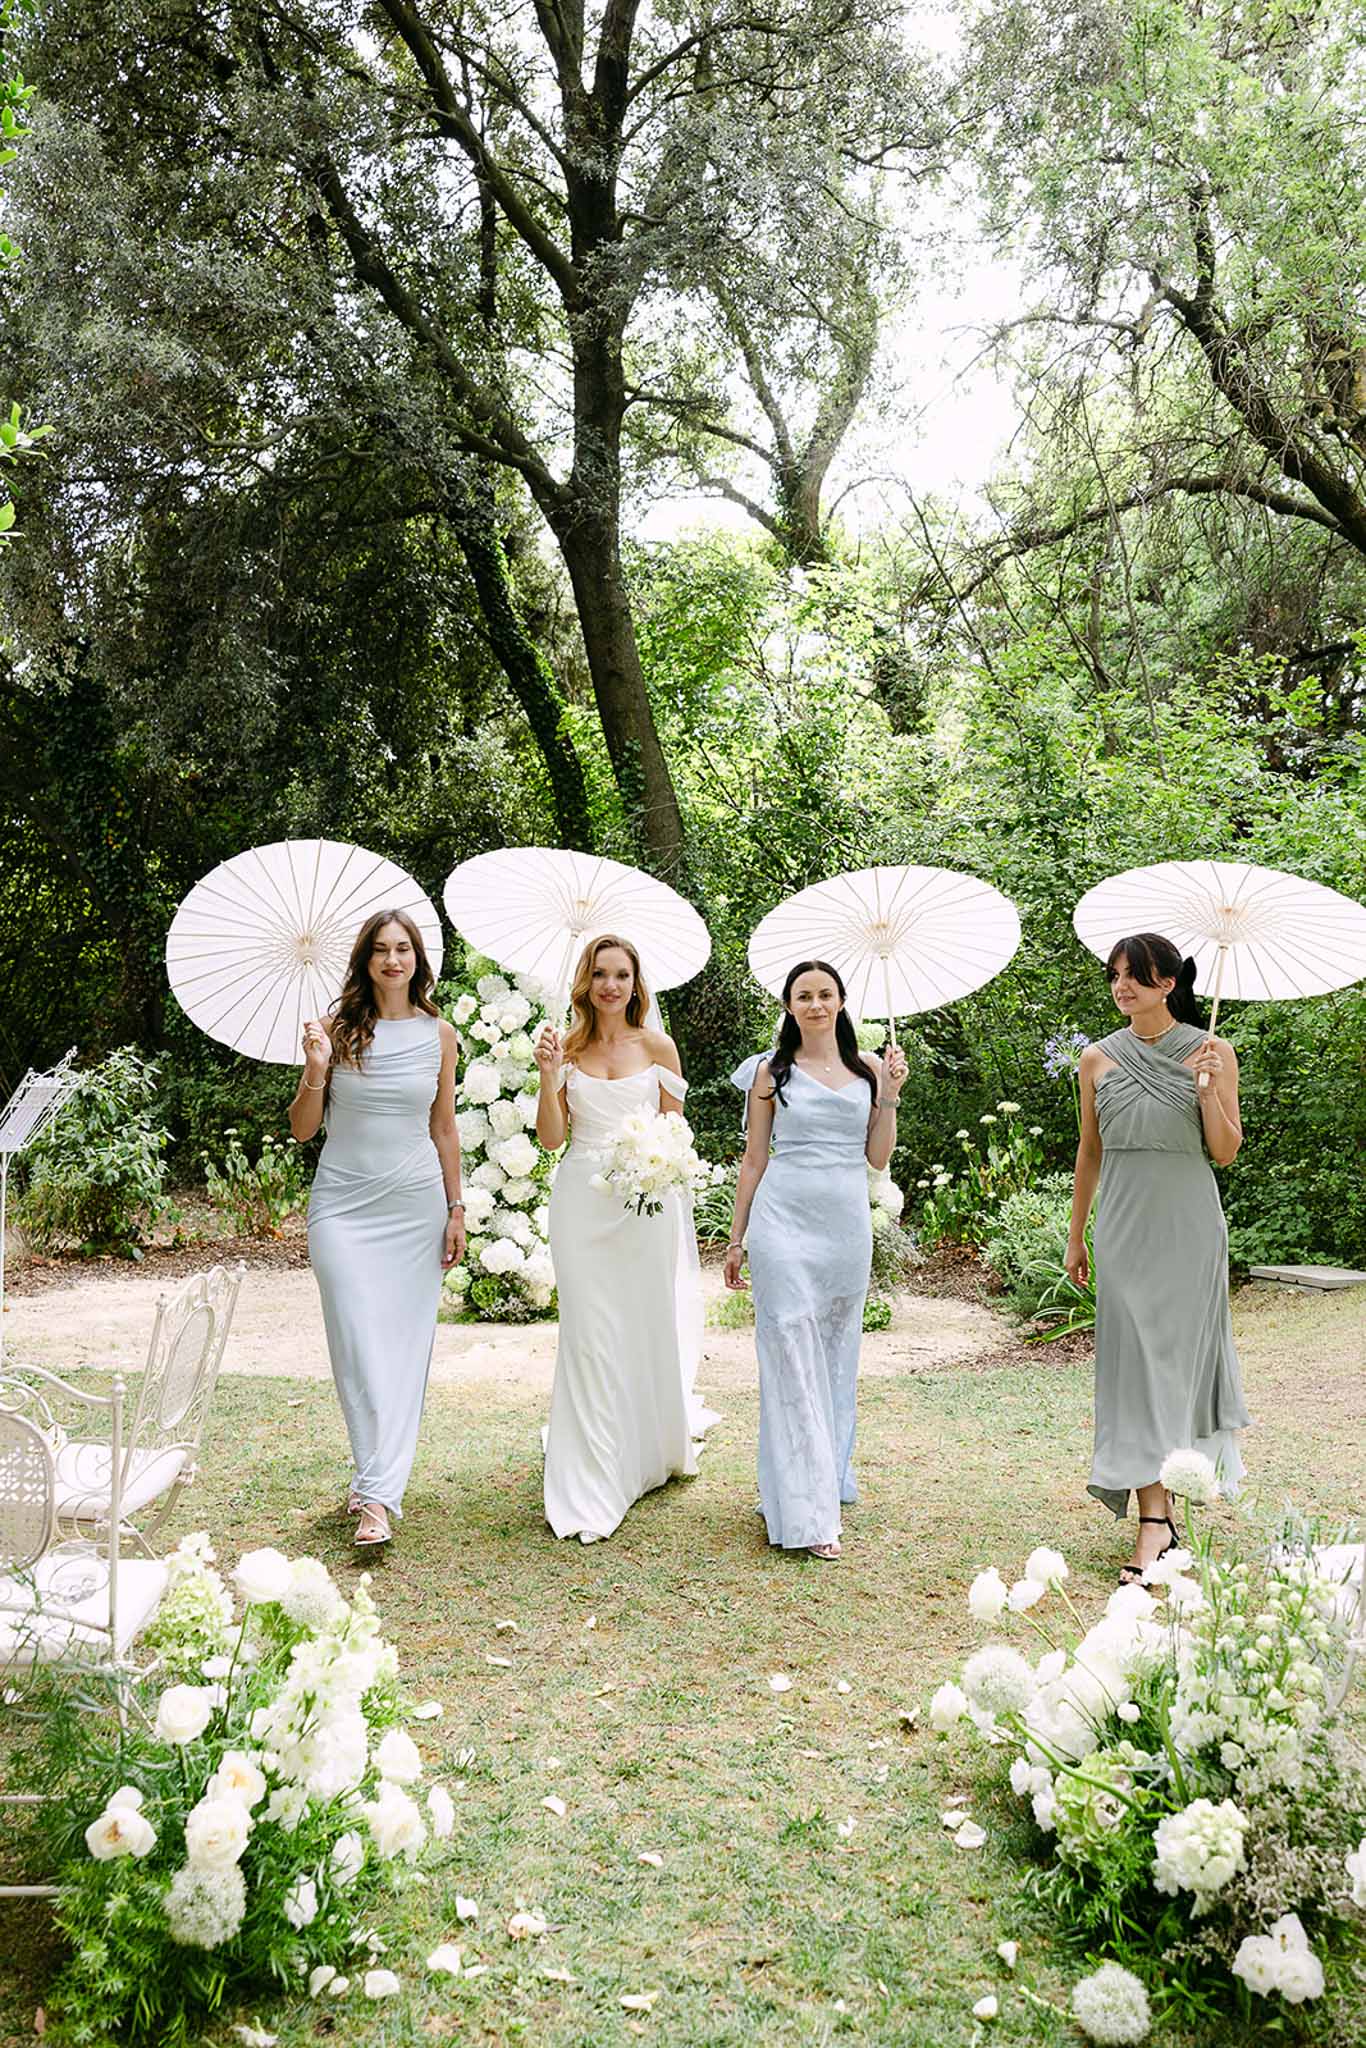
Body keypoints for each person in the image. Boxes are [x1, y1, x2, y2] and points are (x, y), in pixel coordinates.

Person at [1065, 932, 1249, 1584]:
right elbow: (1090, 1150)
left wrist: (1205, 1091)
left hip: (1190, 1229)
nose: (1122, 987)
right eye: (1116, 975)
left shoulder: (1213, 1049)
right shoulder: (1094, 1059)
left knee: (1175, 1373)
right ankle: (1155, 1518)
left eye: (1136, 976)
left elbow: (1225, 1151)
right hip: (1123, 1226)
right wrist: (1076, 1233)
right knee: (1135, 1371)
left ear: (1168, 982)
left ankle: (1160, 1519)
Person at [290, 909, 464, 1548]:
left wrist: (456, 1208)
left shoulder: (439, 1034)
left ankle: (375, 1493)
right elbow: (303, 1127)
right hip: (342, 1206)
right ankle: (374, 1481)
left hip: (415, 1206)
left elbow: (443, 1126)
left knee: (401, 1350)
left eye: (404, 949)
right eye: (382, 951)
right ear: (365, 961)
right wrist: (316, 1065)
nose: (394, 960)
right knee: (357, 1343)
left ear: (418, 959)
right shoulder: (334, 1031)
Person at [533, 933, 714, 1544]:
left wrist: (655, 1164)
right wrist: (547, 1076)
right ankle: (591, 1469)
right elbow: (552, 1139)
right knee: (588, 1332)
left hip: (646, 1206)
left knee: (641, 1324)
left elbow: (675, 1134)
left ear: (637, 985)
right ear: (586, 981)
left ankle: (645, 1450)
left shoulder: (658, 1046)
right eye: (601, 974)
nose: (612, 985)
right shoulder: (568, 1046)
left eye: (623, 975)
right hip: (582, 1202)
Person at [724, 960, 907, 1560]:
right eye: (803, 995)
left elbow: (877, 1158)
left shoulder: (870, 1069)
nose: (815, 1004)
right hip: (782, 1224)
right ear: (788, 1005)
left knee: (833, 1355)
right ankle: (806, 1512)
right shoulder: (769, 1072)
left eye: (825, 994)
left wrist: (890, 1098)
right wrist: (736, 1237)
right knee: (786, 1350)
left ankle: (816, 1475)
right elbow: (754, 1159)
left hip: (844, 1227)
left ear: (842, 1001)